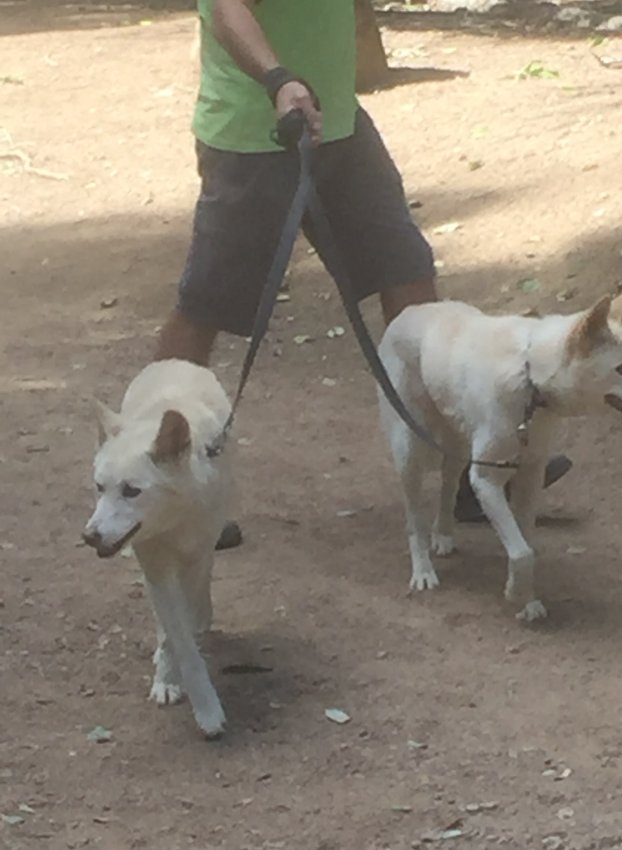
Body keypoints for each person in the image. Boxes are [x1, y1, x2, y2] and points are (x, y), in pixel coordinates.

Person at [156, 0, 570, 546]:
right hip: (252, 137)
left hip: (340, 126)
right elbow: (227, 9)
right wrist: (278, 79)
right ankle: (156, 480)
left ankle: (468, 469)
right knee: (206, 307)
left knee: (411, 282)